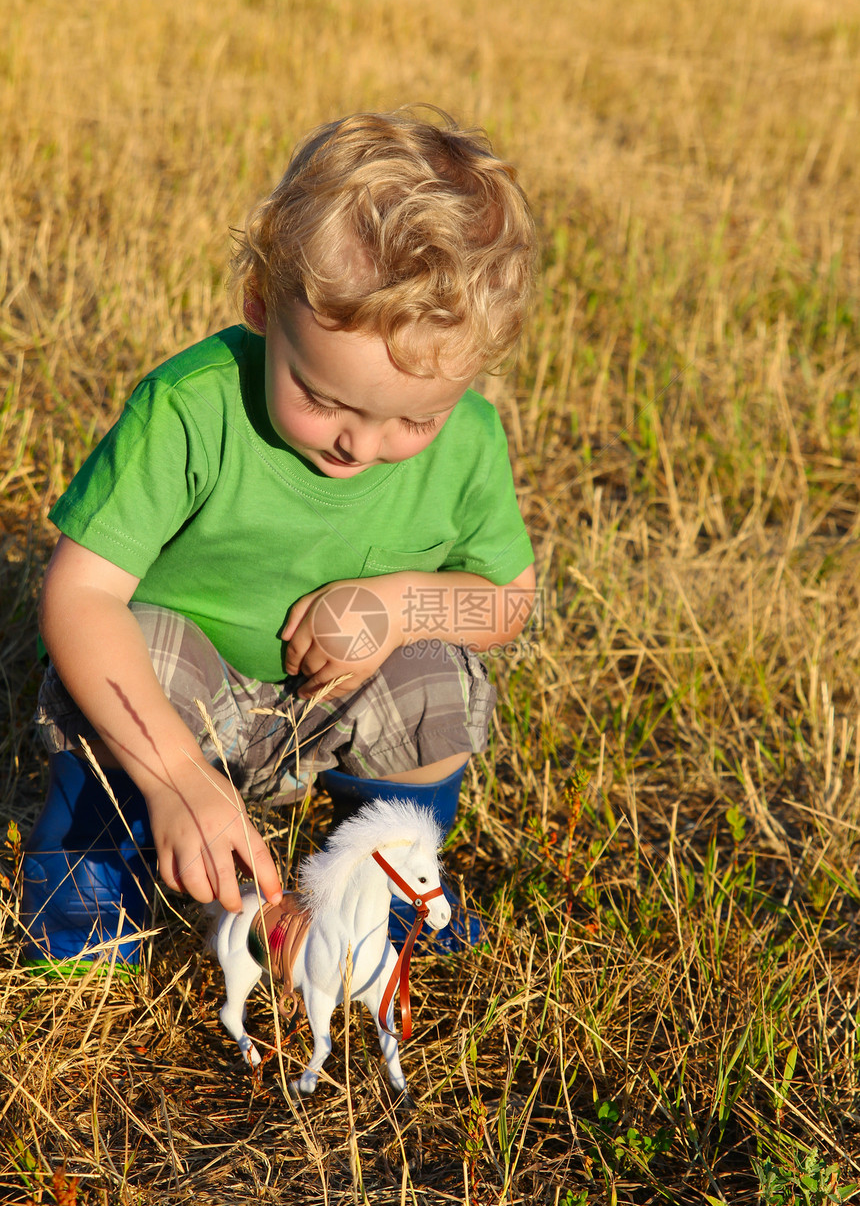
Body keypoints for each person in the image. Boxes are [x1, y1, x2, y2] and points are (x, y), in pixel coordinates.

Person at [21, 107, 537, 968]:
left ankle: (384, 895)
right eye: (325, 400)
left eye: (415, 418)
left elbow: (509, 603)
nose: (360, 446)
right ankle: (87, 905)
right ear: (262, 302)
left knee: (434, 677)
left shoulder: (472, 441)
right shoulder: (193, 407)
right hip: (176, 709)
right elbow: (79, 596)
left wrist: (403, 604)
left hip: (322, 703)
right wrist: (179, 778)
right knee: (139, 645)